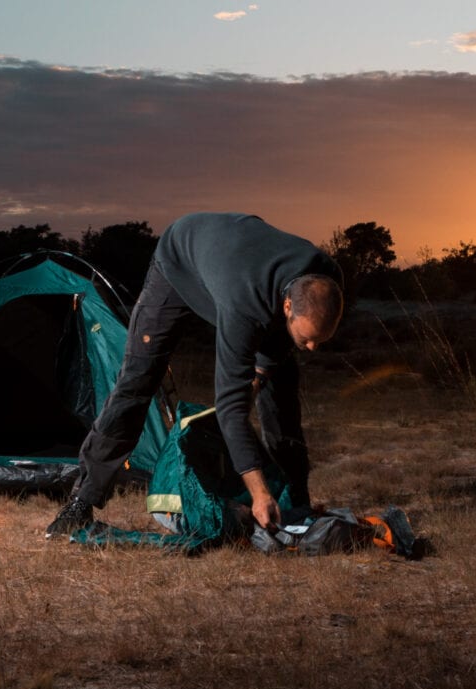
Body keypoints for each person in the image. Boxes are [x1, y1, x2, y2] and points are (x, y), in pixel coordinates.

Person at [46, 212, 343, 539]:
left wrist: (263, 369)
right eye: (308, 339)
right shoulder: (243, 302)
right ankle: (82, 499)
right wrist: (258, 492)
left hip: (242, 268)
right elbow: (230, 407)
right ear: (288, 306)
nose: (313, 348)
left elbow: (275, 353)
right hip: (178, 265)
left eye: (320, 339)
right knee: (137, 380)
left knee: (281, 392)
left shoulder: (327, 277)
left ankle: (296, 502)